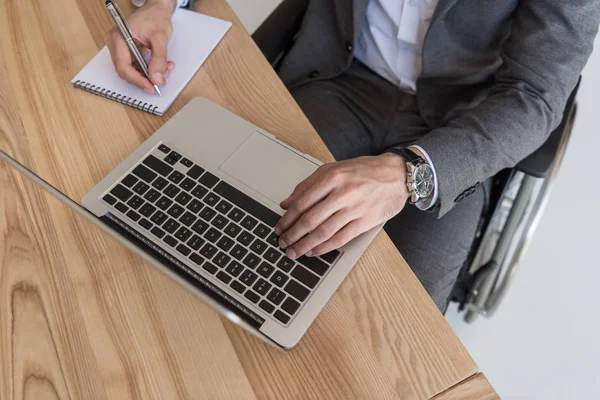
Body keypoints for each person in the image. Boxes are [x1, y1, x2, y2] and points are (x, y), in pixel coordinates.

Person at [105, 0, 600, 311]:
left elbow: (535, 96)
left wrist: (410, 173)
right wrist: (164, 3)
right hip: (340, 78)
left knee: (402, 319)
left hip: (458, 120)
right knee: (225, 233)